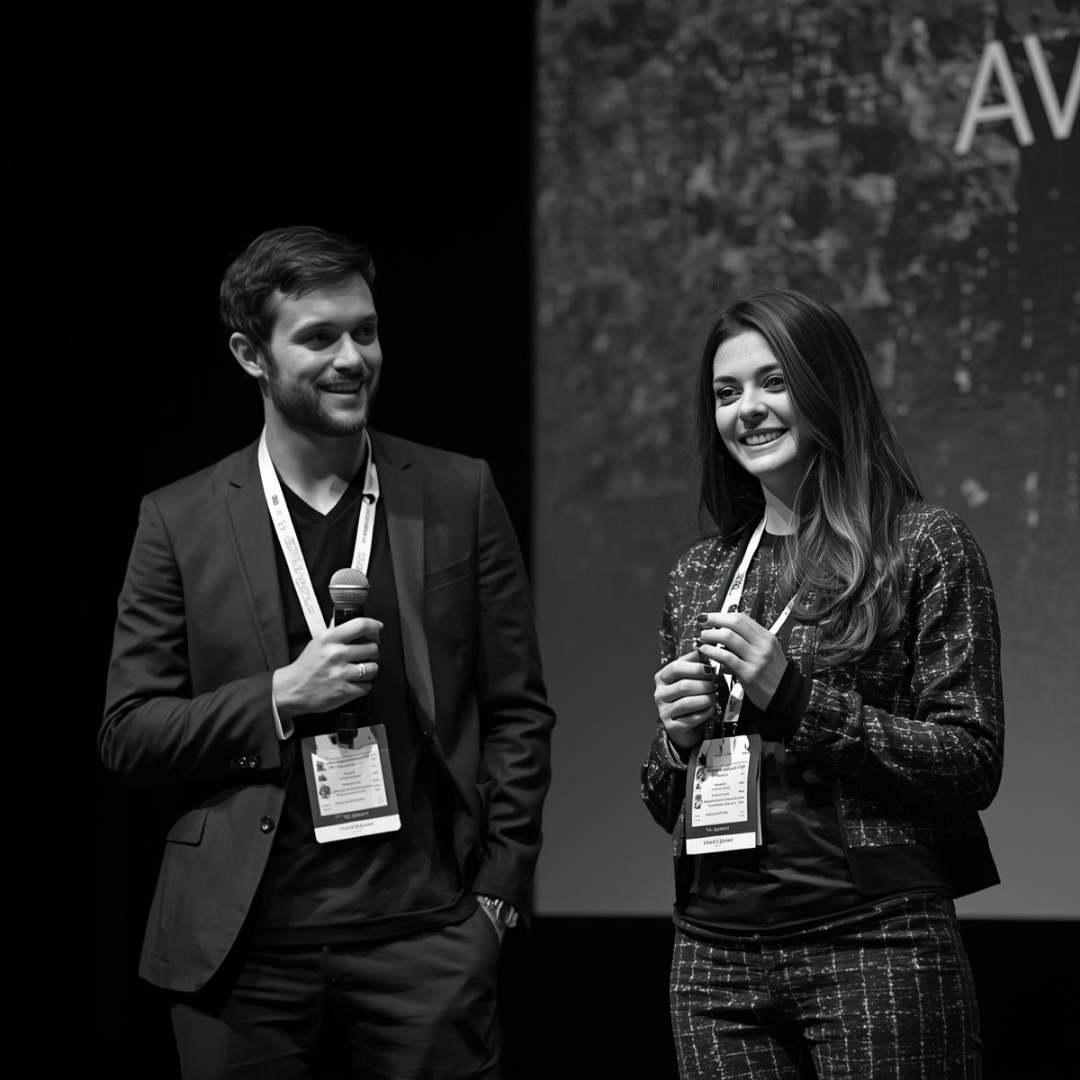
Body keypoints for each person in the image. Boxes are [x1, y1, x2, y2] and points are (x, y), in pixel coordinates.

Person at [101, 225, 555, 1079]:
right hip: (242, 949)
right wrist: (278, 696)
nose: (353, 358)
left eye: (366, 331)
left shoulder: (459, 490)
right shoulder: (180, 518)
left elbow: (518, 709)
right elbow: (129, 731)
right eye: (319, 337)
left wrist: (497, 891)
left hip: (427, 938)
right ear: (250, 354)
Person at [642, 287, 1003, 1079]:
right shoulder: (699, 573)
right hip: (713, 957)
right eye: (726, 393)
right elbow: (669, 798)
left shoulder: (921, 544)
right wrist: (674, 746)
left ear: (825, 387)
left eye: (773, 382)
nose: (748, 410)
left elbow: (971, 760)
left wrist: (799, 700)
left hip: (874, 942)